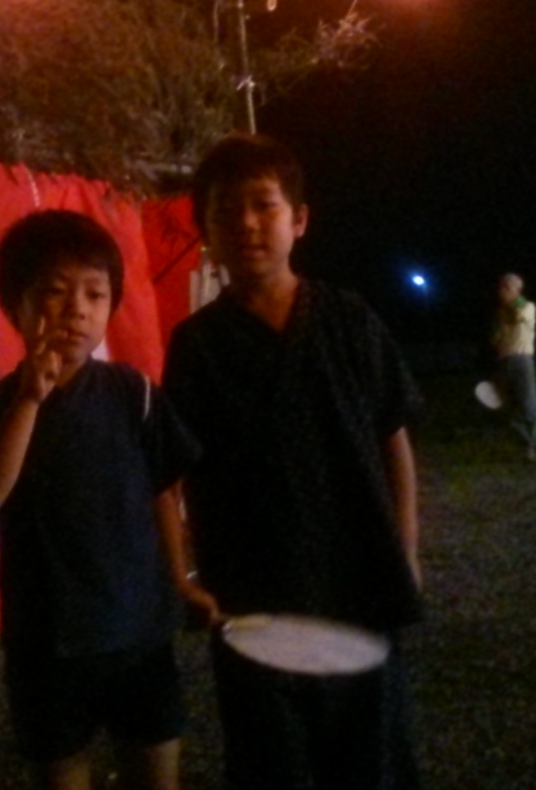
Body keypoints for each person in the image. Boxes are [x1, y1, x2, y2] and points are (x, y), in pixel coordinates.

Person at [158, 133, 424, 790]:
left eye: (264, 205)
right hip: (252, 596)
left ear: (299, 219)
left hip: (357, 581)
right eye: (226, 211)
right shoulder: (197, 346)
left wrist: (406, 550)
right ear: (205, 233)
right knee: (272, 763)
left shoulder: (349, 320)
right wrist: (179, 577)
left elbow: (392, 437)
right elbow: (165, 469)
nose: (247, 223)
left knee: (371, 758)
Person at [0, 209, 200, 790]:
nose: (76, 309)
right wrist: (29, 398)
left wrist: (179, 580)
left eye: (95, 294)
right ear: (14, 305)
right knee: (60, 772)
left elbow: (162, 491)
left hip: (139, 635)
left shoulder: (133, 395)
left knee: (155, 771)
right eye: (54, 291)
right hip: (47, 645)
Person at [492, 272, 536, 462]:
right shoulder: (500, 313)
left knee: (529, 405)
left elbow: (518, 315)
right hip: (505, 361)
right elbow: (496, 340)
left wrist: (512, 301)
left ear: (518, 290)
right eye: (502, 287)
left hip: (522, 360)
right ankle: (526, 446)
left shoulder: (527, 306)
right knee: (510, 408)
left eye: (507, 288)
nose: (502, 291)